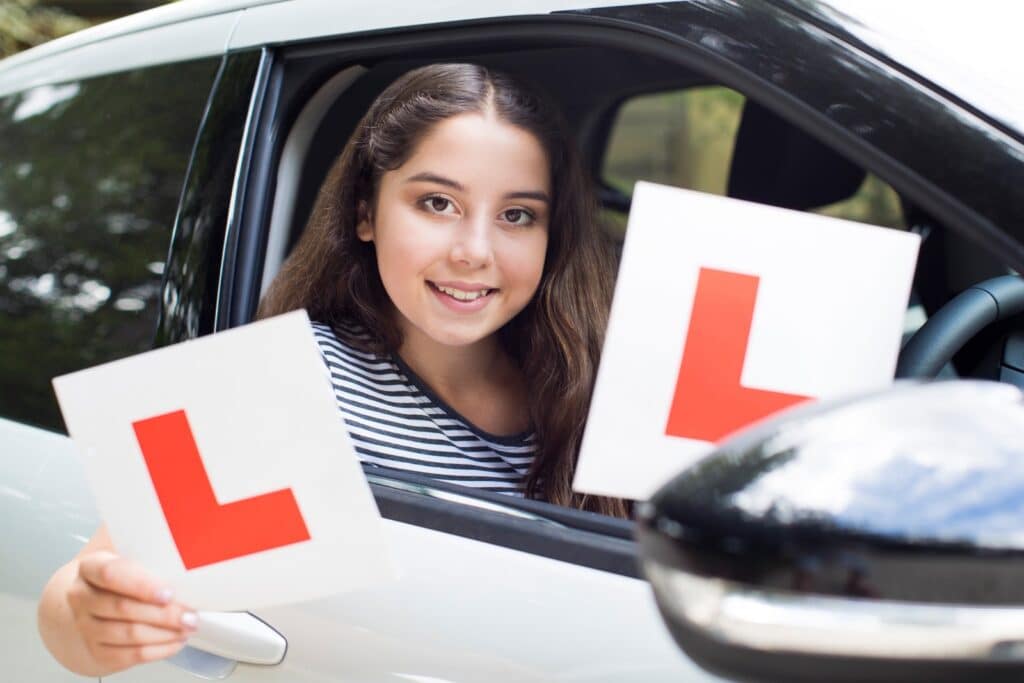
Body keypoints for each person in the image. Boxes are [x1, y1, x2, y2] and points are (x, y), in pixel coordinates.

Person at [37, 63, 626, 677]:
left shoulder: (590, 382)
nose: (474, 251)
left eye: (517, 216)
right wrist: (87, 614)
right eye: (437, 202)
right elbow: (79, 596)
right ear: (366, 213)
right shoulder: (277, 380)